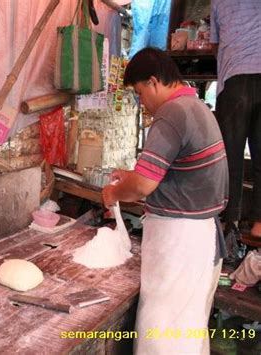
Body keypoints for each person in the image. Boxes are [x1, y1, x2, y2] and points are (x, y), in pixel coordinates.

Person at [102, 48, 228, 355]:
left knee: (164, 339)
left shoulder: (172, 113)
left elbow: (144, 185)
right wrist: (130, 174)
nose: (142, 103)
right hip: (201, 238)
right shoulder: (195, 107)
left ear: (155, 82)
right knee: (186, 334)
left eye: (140, 93)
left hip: (181, 244)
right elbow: (169, 172)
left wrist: (114, 193)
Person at [210, 0, 261, 243]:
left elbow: (214, 44)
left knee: (231, 157)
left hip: (235, 79)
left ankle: (231, 223)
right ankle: (259, 225)